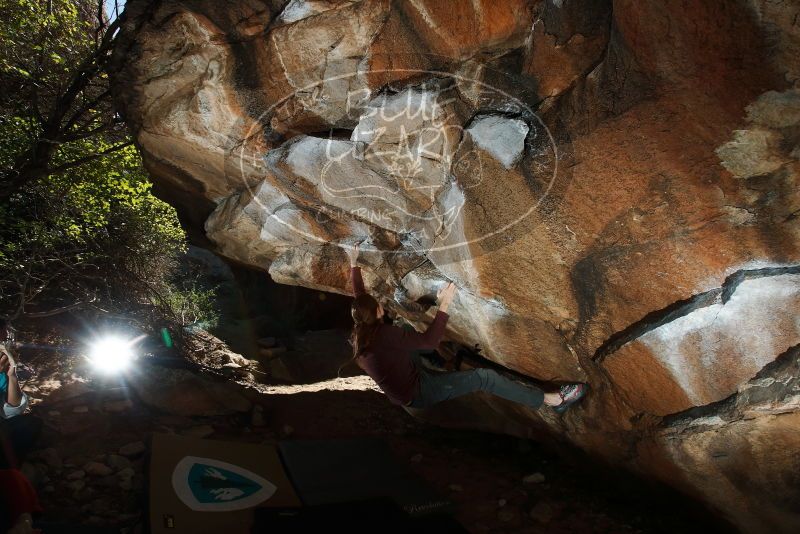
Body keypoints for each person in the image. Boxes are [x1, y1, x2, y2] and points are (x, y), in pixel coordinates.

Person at [345, 244, 587, 412]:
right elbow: (428, 341)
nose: (382, 307)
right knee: (484, 378)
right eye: (379, 307)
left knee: (408, 337)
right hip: (419, 392)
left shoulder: (361, 333)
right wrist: (445, 304)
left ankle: (443, 364)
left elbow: (360, 299)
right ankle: (552, 400)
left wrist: (353, 263)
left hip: (404, 386)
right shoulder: (385, 335)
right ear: (376, 313)